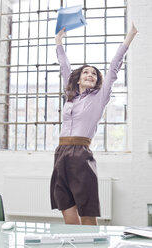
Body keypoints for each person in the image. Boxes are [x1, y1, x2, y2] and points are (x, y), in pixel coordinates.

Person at [50, 24, 138, 225]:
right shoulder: (70, 96)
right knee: (66, 207)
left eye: (94, 74)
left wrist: (129, 38)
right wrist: (58, 41)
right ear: (78, 78)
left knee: (86, 209)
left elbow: (114, 66)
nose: (90, 75)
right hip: (61, 153)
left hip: (81, 155)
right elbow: (64, 66)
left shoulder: (100, 97)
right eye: (86, 73)